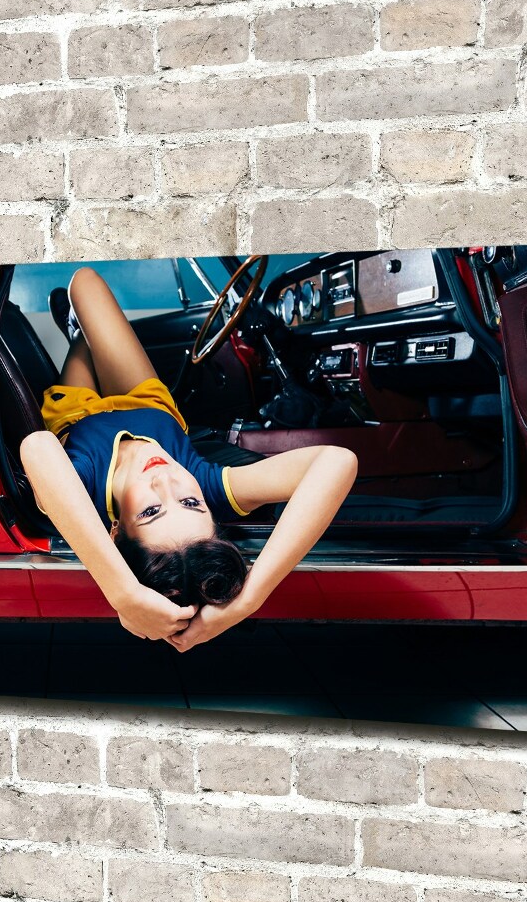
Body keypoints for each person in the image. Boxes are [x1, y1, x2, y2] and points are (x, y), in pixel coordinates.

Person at [19, 265, 357, 652]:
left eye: (149, 511)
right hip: (145, 402)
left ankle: (79, 337)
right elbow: (337, 461)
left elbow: (38, 447)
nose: (166, 481)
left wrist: (121, 591)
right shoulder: (209, 483)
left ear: (116, 532)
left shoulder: (84, 491)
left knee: (83, 319)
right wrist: (248, 600)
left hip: (76, 415)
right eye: (190, 503)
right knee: (85, 284)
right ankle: (82, 335)